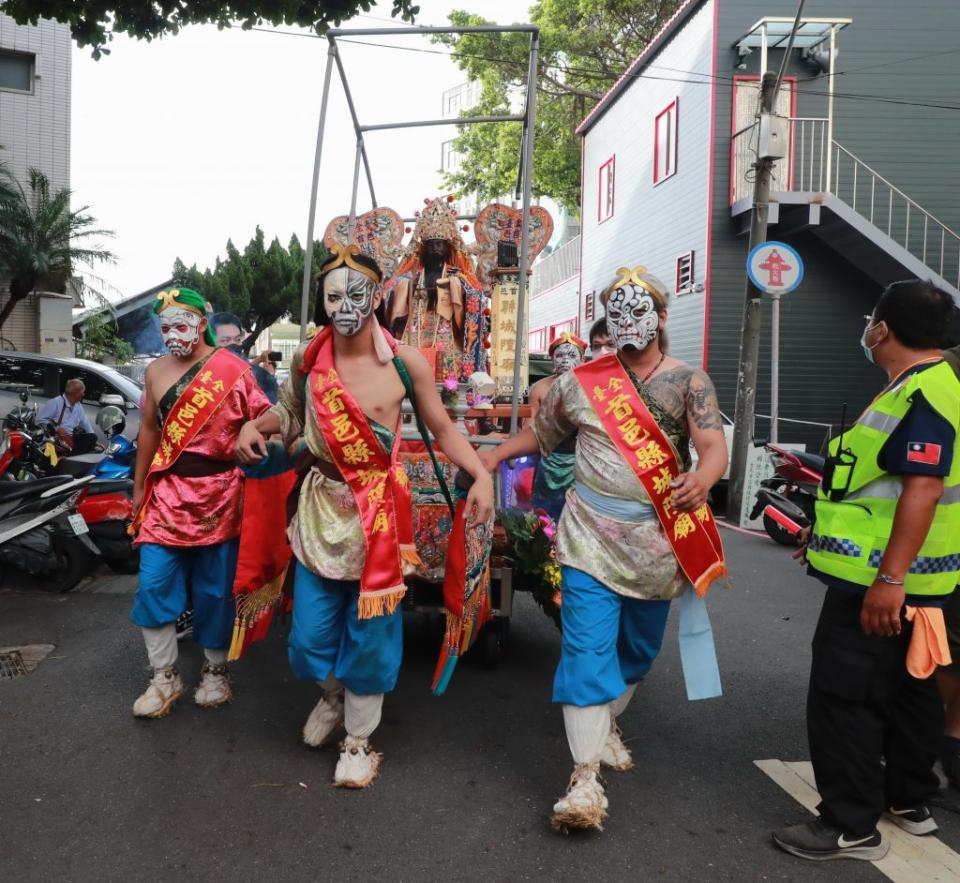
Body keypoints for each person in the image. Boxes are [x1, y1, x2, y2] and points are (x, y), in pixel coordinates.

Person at [480, 264, 728, 831]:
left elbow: (712, 446)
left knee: (636, 652)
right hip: (589, 536)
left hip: (657, 542)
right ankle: (584, 780)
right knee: (586, 651)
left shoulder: (690, 382)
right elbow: (540, 435)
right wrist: (492, 457)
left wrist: (705, 478)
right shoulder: (583, 380)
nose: (628, 320)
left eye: (639, 309)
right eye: (618, 310)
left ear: (662, 318)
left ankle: (606, 721)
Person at [237, 243, 493, 788]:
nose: (344, 304)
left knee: (372, 634)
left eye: (356, 294)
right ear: (323, 301)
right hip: (319, 510)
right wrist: (251, 428)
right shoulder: (310, 359)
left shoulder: (406, 361)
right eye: (334, 295)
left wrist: (484, 475)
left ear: (377, 296)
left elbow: (444, 429)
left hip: (379, 515)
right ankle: (332, 696)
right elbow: (287, 413)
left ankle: (359, 738)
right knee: (308, 637)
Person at [773, 280, 960, 863]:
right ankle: (908, 799)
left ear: (886, 329)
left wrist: (888, 580)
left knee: (844, 694)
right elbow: (868, 490)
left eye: (872, 320)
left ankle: (850, 825)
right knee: (910, 688)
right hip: (917, 578)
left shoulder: (925, 393)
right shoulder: (918, 386)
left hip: (888, 583)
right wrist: (821, 536)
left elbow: (923, 488)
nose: (867, 329)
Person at [129, 288, 271, 719]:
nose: (173, 333)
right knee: (153, 585)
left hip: (221, 494)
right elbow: (150, 432)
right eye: (165, 326)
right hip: (167, 493)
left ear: (200, 323)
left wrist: (255, 430)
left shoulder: (233, 368)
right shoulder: (155, 371)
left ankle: (215, 671)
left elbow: (270, 416)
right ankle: (164, 677)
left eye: (181, 324)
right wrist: (138, 489)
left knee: (214, 591)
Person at [383, 196, 485, 382]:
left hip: (444, 333)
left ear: (447, 247)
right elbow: (393, 295)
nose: (434, 249)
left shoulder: (456, 276)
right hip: (414, 332)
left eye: (439, 244)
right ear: (423, 248)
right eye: (430, 245)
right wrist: (409, 288)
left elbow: (473, 293)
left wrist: (447, 287)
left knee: (447, 372)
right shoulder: (413, 277)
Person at [529, 332, 587, 522]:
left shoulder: (591, 388)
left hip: (580, 461)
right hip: (548, 460)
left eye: (571, 356)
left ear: (582, 359)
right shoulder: (539, 388)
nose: (565, 360)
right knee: (544, 517)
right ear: (552, 358)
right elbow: (531, 428)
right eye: (560, 355)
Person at [210, 311, 280, 404]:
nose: (233, 344)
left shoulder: (260, 378)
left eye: (237, 339)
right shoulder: (199, 379)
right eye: (224, 340)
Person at [37, 378, 97, 453]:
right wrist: (57, 429)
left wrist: (94, 442)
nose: (83, 394)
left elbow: (86, 424)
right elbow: (40, 420)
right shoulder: (55, 402)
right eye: (82, 392)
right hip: (54, 441)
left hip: (69, 439)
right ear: (75, 393)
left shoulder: (78, 406)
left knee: (92, 437)